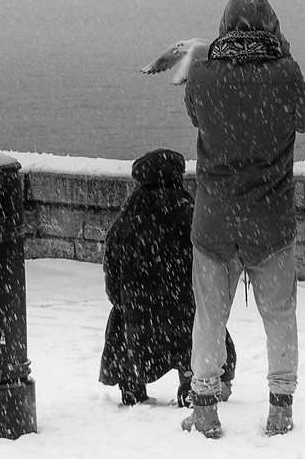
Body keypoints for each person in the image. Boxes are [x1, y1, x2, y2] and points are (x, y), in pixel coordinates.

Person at [179, 0, 305, 439]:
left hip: (214, 222)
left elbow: (194, 115)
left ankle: (204, 407)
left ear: (225, 25)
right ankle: (280, 408)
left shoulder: (202, 76)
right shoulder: (285, 74)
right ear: (272, 26)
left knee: (209, 316)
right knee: (279, 314)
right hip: (271, 222)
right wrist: (286, 60)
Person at [96, 147, 235, 407]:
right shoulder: (193, 214)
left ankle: (132, 385)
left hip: (140, 319)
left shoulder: (126, 222)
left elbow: (113, 283)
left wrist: (126, 300)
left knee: (121, 321)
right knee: (199, 326)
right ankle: (190, 380)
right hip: (186, 313)